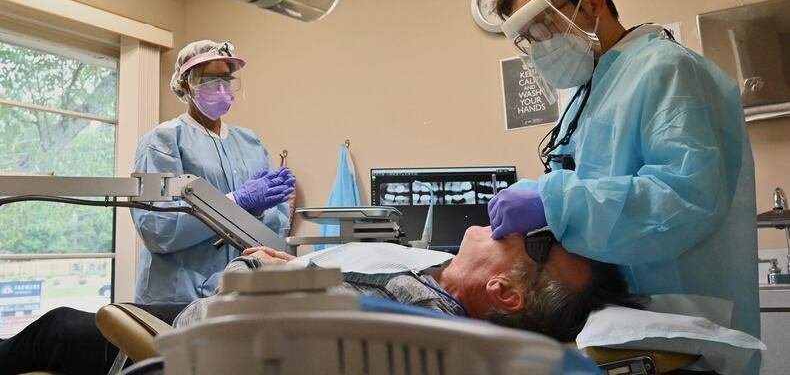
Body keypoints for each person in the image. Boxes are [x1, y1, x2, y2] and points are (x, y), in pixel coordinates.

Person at [486, 0, 759, 353]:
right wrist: (545, 191)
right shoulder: (587, 92)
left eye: (542, 28)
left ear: (592, 2)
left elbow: (684, 200)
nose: (539, 47)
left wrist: (556, 202)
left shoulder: (666, 69)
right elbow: (596, 183)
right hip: (620, 321)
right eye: (528, 39)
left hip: (681, 314)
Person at [0, 226, 640, 375]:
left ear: (501, 291)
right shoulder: (430, 281)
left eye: (532, 238)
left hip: (185, 345)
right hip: (219, 312)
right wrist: (297, 264)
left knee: (56, 330)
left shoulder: (416, 328)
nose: (508, 224)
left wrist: (258, 275)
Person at [131, 39, 295, 304]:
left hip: (242, 294)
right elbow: (157, 229)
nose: (220, 87)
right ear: (185, 83)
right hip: (177, 296)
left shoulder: (250, 142)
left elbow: (276, 232)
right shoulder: (163, 140)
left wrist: (260, 211)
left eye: (226, 78)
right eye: (209, 78)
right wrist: (235, 203)